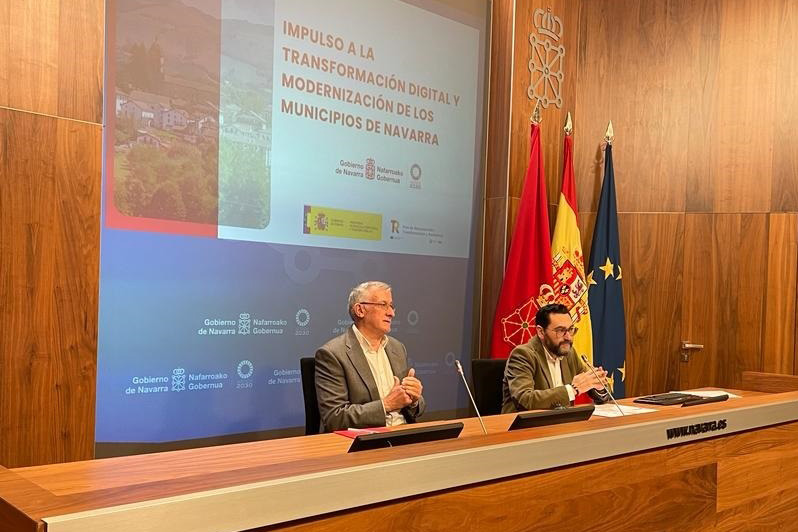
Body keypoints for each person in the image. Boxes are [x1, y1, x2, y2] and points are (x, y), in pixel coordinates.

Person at [314, 281, 425, 432]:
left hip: (404, 434)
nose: (391, 313)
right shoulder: (333, 354)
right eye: (383, 305)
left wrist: (414, 399)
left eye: (391, 306)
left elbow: (415, 409)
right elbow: (335, 418)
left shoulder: (397, 348)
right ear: (360, 310)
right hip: (367, 441)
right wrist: (386, 405)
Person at [501, 303, 609, 413]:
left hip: (561, 423)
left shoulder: (568, 353)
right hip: (525, 426)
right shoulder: (523, 354)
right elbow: (525, 400)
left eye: (571, 329)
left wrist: (598, 385)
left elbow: (599, 394)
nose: (568, 337)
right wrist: (573, 390)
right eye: (560, 331)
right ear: (541, 332)